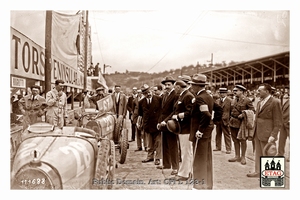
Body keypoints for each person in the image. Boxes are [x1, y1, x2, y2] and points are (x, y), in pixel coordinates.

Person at [188, 74, 223, 189]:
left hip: (201, 133)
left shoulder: (200, 98)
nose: (192, 87)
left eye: (193, 85)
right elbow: (219, 109)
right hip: (207, 131)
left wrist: (201, 129)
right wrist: (213, 123)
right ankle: (207, 184)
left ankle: (199, 185)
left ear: (197, 86)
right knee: (206, 158)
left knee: (199, 159)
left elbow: (206, 114)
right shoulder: (208, 95)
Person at [247, 83, 282, 177]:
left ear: (266, 91)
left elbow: (278, 121)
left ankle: (269, 176)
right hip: (258, 132)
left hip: (267, 133)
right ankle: (258, 171)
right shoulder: (259, 102)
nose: (257, 92)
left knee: (268, 154)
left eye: (260, 90)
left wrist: (273, 135)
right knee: (258, 153)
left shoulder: (275, 102)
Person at [170, 80, 194, 181]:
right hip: (182, 128)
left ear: (178, 87)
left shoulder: (187, 96)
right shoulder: (183, 95)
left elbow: (190, 112)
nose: (174, 89)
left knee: (186, 152)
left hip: (186, 128)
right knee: (186, 151)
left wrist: (178, 116)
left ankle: (185, 174)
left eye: (175, 87)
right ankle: (188, 172)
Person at [157, 76, 179, 176]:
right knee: (164, 144)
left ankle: (175, 167)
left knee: (172, 145)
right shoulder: (165, 95)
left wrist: (166, 121)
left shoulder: (175, 95)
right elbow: (162, 111)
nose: (167, 86)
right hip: (163, 123)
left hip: (171, 123)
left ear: (173, 85)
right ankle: (166, 164)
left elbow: (174, 111)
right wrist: (159, 122)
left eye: (169, 85)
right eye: (165, 85)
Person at [228, 84, 255, 165]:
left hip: (241, 123)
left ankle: (243, 157)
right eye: (234, 91)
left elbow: (252, 110)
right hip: (232, 122)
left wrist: (243, 114)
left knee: (242, 140)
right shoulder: (233, 100)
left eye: (236, 91)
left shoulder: (247, 100)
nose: (234, 92)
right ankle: (237, 156)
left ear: (242, 91)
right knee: (235, 140)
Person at [138, 84, 162, 165]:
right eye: (146, 93)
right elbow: (141, 114)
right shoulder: (141, 102)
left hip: (157, 124)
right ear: (143, 94)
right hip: (148, 125)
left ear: (151, 91)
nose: (148, 94)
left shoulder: (159, 99)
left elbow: (163, 111)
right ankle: (150, 157)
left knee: (158, 142)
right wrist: (140, 123)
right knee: (150, 143)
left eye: (149, 92)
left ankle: (158, 158)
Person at [214, 88, 232, 154]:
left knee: (227, 134)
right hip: (218, 120)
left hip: (226, 120)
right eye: (221, 93)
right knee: (218, 134)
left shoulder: (230, 101)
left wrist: (229, 120)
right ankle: (218, 147)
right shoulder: (217, 101)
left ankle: (228, 148)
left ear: (226, 93)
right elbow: (215, 111)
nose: (222, 94)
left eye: (223, 93)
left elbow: (231, 111)